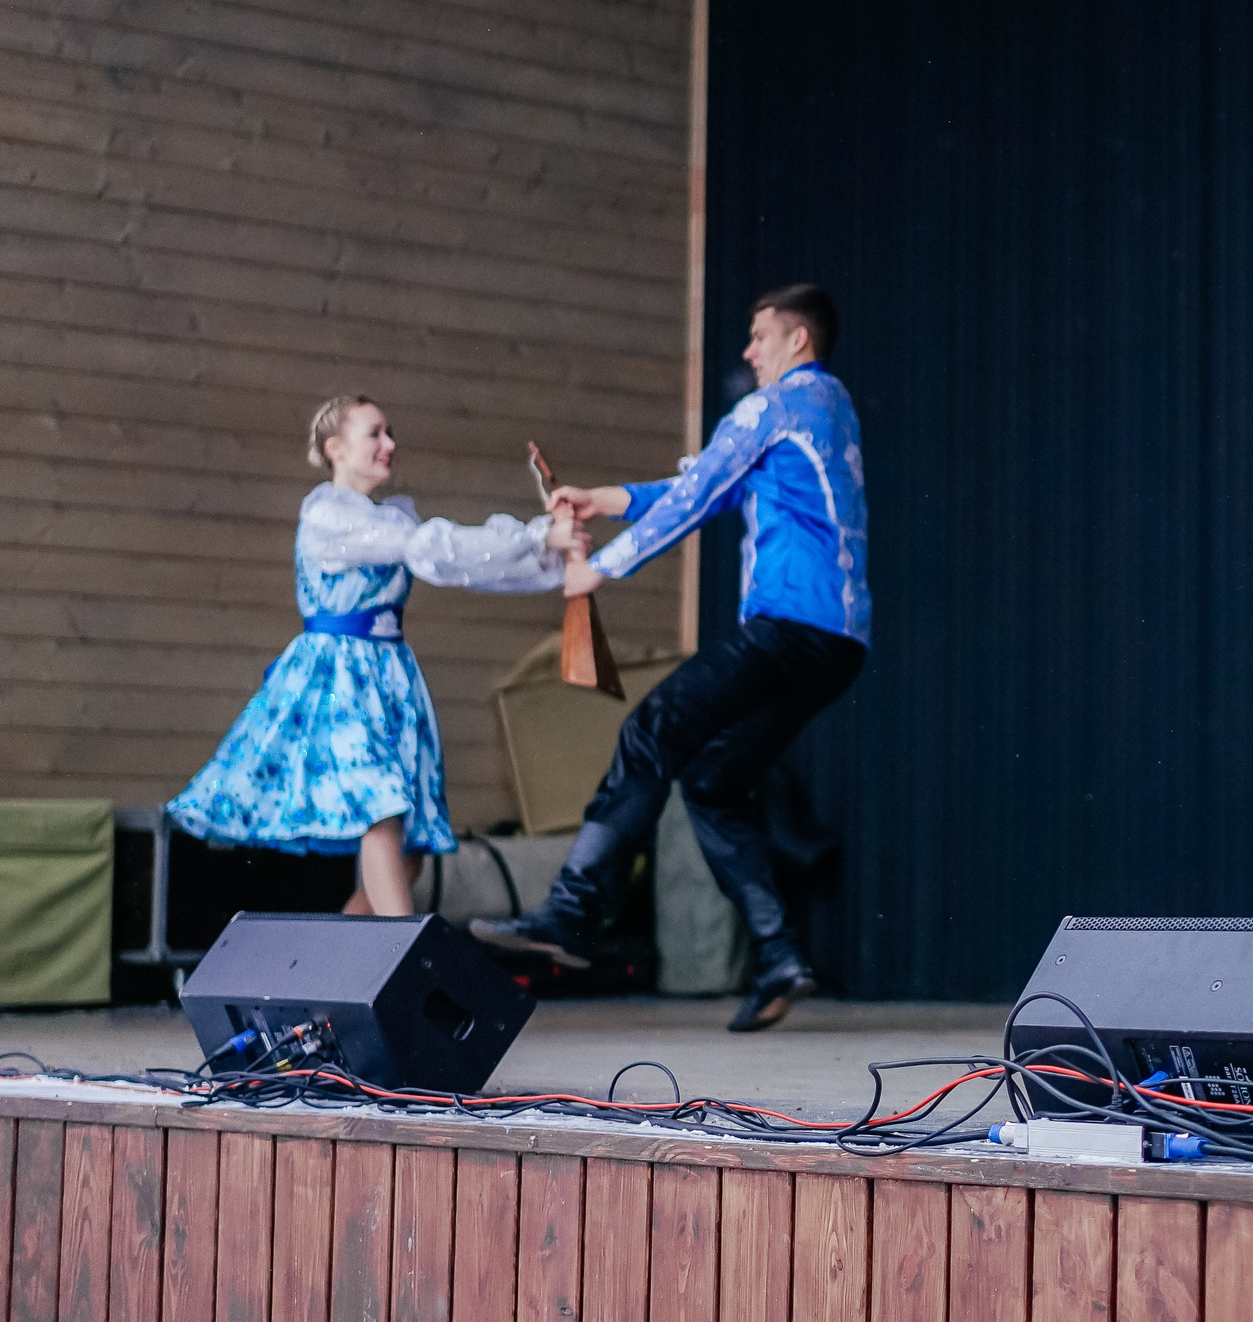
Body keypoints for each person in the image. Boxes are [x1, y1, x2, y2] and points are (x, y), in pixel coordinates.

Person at [471, 284, 871, 1033]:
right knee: (714, 781)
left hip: (789, 625)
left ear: (798, 342)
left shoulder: (774, 406)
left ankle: (573, 908)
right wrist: (605, 497)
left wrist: (603, 567)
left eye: (760, 336)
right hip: (838, 644)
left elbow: (698, 495)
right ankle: (779, 951)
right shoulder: (828, 411)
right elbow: (707, 486)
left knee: (650, 730)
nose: (748, 351)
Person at [167, 396, 579, 917]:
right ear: (335, 448)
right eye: (375, 433)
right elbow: (433, 547)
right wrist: (535, 534)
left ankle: (336, 966)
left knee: (406, 859)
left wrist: (545, 549)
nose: (390, 444)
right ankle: (401, 965)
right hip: (337, 677)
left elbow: (456, 566)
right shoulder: (328, 516)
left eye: (391, 433)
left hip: (388, 677)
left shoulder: (392, 520)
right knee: (380, 812)